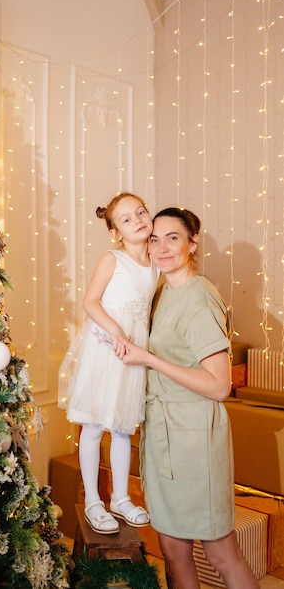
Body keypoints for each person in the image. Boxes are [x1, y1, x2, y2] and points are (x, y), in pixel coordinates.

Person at [118, 207, 260, 588]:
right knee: (174, 551)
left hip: (195, 440)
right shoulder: (164, 291)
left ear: (193, 242)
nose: (161, 247)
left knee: (219, 551)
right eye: (154, 238)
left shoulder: (199, 297)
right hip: (165, 436)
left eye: (173, 238)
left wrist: (149, 359)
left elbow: (218, 386)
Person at [58, 192, 159, 534]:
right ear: (116, 232)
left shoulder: (156, 263)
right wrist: (116, 330)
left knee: (122, 427)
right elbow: (90, 302)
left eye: (141, 212)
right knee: (93, 424)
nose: (139, 220)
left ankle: (120, 497)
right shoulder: (112, 259)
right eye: (127, 219)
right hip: (106, 347)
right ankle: (92, 501)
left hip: (133, 351)